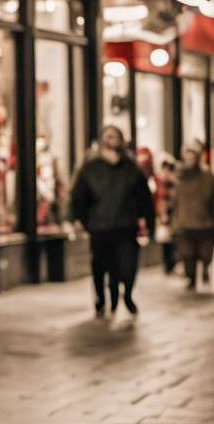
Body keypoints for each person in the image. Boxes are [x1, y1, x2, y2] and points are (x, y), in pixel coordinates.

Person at [71, 125, 155, 316]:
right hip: (100, 226)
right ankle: (102, 298)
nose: (111, 140)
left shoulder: (131, 168)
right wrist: (81, 220)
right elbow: (78, 196)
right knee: (100, 265)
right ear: (102, 140)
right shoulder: (90, 167)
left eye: (115, 136)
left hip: (126, 225)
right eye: (107, 136)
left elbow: (144, 198)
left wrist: (148, 222)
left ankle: (127, 296)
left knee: (127, 265)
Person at [172, 144, 214, 290]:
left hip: (205, 222)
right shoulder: (180, 177)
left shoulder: (207, 176)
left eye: (192, 158)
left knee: (205, 253)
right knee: (187, 254)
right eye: (187, 158)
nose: (190, 161)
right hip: (184, 222)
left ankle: (204, 269)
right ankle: (191, 278)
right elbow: (175, 200)